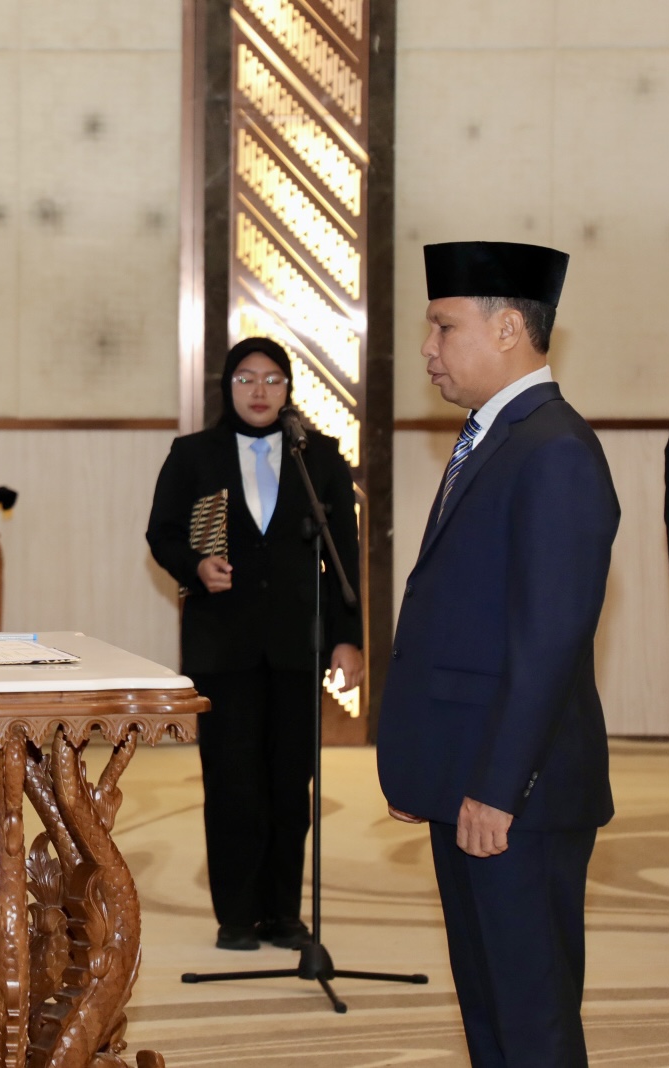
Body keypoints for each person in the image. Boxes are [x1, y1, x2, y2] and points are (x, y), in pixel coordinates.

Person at [378, 241, 617, 1066]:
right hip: (471, 779)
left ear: (508, 328)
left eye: (443, 327)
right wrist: (431, 767)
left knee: (529, 1020)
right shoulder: (494, 436)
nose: (427, 348)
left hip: (518, 794)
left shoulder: (554, 449)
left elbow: (547, 642)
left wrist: (494, 788)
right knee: (486, 1010)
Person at [145, 337, 363, 952]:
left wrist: (349, 641)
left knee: (291, 784)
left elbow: (344, 557)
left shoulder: (318, 456)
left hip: (298, 646)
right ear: (228, 387)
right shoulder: (194, 454)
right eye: (246, 379)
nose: (259, 391)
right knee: (233, 781)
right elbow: (161, 533)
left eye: (272, 379)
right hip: (224, 646)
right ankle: (237, 915)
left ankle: (284, 913)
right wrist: (195, 567)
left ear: (288, 389)